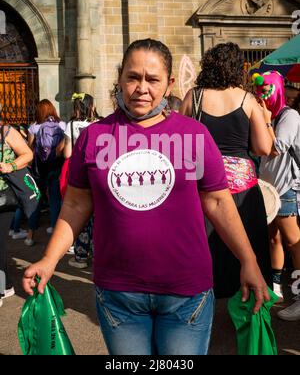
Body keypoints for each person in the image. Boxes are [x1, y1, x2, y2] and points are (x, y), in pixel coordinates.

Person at [23, 39, 269, 355]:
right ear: (120, 79)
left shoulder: (194, 135)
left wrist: (248, 260)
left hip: (186, 294)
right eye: (133, 77)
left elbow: (218, 202)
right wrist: (49, 259)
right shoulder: (94, 138)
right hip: (119, 294)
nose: (142, 88)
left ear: (168, 84)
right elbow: (75, 203)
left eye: (152, 80)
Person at [180, 42, 273, 299]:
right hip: (243, 190)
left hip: (203, 188)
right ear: (236, 68)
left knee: (205, 249)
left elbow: (180, 145)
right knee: (246, 246)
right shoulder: (247, 99)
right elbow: (263, 148)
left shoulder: (193, 96)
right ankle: (246, 300)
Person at [255, 71, 300, 321]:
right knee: (274, 239)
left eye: (266, 91)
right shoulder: (267, 116)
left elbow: (277, 149)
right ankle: (277, 290)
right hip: (268, 190)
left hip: (287, 188)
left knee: (295, 242)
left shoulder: (289, 116)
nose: (262, 97)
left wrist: (266, 121)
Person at [0, 104, 33, 307]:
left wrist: (9, 165)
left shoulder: (7, 132)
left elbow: (28, 154)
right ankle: (8, 284)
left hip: (4, 198)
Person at [63, 92, 99, 268]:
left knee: (79, 212)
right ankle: (97, 253)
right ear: (91, 106)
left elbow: (67, 154)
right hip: (96, 173)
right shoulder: (99, 124)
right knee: (98, 214)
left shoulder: (70, 125)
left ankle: (81, 256)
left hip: (78, 173)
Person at [26, 100, 66, 245]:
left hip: (39, 168)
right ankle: (54, 230)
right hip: (56, 166)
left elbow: (29, 149)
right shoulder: (62, 125)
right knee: (55, 200)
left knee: (36, 199)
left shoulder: (34, 127)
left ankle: (30, 235)